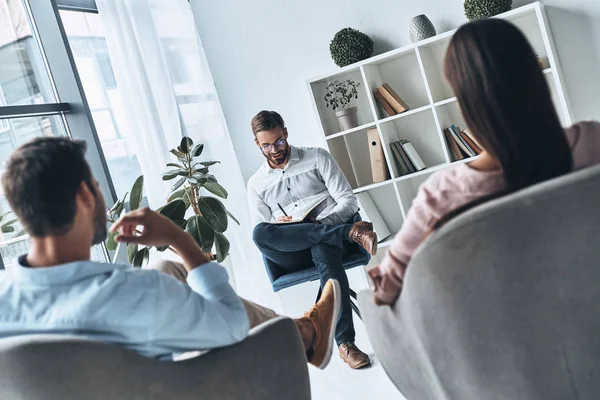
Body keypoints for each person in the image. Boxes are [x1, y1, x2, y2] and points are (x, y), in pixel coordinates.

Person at [0, 137, 343, 370]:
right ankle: (305, 334)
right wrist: (180, 239)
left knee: (165, 268)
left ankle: (303, 329)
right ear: (84, 197)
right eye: (96, 185)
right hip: (204, 385)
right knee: (173, 270)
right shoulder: (132, 294)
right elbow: (232, 325)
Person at [369, 19, 600, 306]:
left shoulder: (441, 197)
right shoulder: (593, 142)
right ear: (536, 79)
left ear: (464, 102)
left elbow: (385, 291)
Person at [247, 110, 376, 369]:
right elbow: (264, 232)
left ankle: (345, 344)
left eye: (279, 141)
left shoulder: (317, 158)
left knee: (322, 245)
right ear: (257, 144)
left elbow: (348, 202)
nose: (275, 149)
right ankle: (351, 232)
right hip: (291, 254)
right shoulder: (256, 184)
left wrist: (319, 225)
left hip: (326, 244)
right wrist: (281, 226)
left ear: (286, 132)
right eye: (267, 145)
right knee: (260, 232)